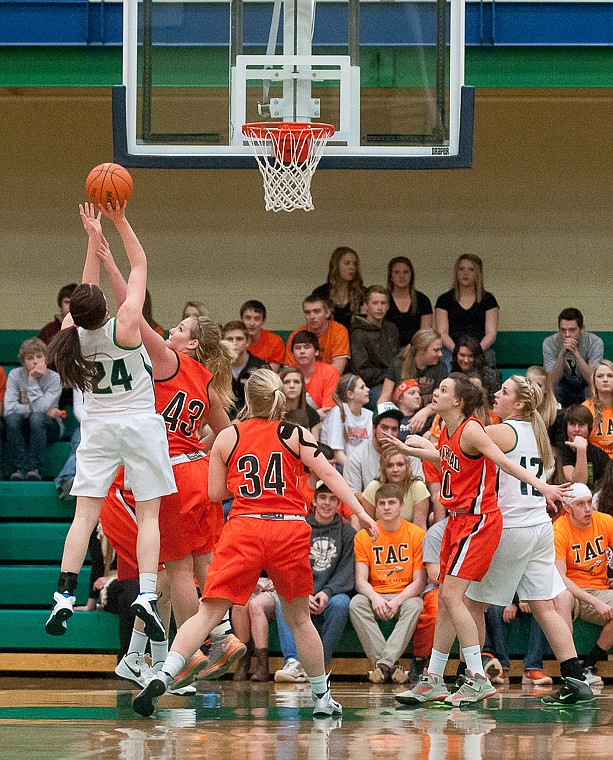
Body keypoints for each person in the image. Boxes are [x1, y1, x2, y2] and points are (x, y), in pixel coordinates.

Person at [132, 368, 378, 719]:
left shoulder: (227, 436)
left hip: (244, 528)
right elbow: (329, 475)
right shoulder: (296, 433)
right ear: (282, 397)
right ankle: (322, 699)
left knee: (207, 614)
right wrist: (363, 515)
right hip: (288, 531)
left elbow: (216, 493)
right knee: (299, 621)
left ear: (247, 399)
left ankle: (163, 674)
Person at [96, 238, 244, 686]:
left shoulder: (168, 360)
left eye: (179, 327)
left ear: (191, 342)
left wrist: (108, 261)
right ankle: (218, 634)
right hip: (196, 470)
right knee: (194, 564)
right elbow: (229, 434)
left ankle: (195, 647)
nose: (171, 331)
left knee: (174, 568)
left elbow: (130, 312)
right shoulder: (206, 380)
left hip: (168, 473)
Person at [385, 373, 568, 706]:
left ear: (457, 400)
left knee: (455, 598)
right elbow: (446, 458)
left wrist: (543, 487)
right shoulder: (454, 431)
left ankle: (477, 676)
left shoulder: (473, 428)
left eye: (442, 389)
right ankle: (433, 679)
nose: (435, 392)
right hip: (459, 522)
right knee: (447, 600)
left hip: (479, 521)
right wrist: (407, 448)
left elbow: (502, 461)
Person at [44, 202, 176, 644]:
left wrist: (89, 240)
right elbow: (139, 263)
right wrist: (115, 223)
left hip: (98, 428)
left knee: (84, 515)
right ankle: (147, 594)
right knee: (149, 512)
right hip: (139, 423)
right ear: (105, 306)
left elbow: (86, 289)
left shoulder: (69, 337)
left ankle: (64, 595)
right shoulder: (128, 325)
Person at [459, 375, 594, 705]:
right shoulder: (538, 433)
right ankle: (576, 678)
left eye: (503, 391)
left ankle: (472, 676)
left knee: (470, 604)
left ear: (518, 404)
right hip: (539, 526)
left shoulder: (505, 431)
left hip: (513, 526)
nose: (496, 394)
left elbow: (459, 445)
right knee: (544, 605)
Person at [274, 481, 357, 681]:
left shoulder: (348, 533)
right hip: (303, 591)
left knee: (342, 604)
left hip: (331, 594)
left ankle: (318, 664)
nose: (327, 503)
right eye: (322, 497)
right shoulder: (300, 528)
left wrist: (327, 592)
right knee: (282, 602)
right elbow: (290, 565)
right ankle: (293, 662)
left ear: (339, 504)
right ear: (314, 501)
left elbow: (346, 569)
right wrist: (305, 592)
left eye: (332, 499)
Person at [350, 484, 426, 684]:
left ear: (401, 506)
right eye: (381, 503)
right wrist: (375, 598)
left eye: (391, 503)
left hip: (404, 594)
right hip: (376, 592)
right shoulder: (364, 535)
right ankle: (388, 665)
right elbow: (360, 581)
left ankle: (382, 666)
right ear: (376, 507)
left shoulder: (416, 534)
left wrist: (396, 601)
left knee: (416, 605)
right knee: (356, 603)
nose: (386, 507)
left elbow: (419, 583)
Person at [554, 483, 613, 685]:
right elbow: (560, 577)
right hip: (572, 590)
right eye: (580, 504)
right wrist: (594, 602)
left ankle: (587, 665)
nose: (588, 509)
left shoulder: (605, 521)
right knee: (562, 597)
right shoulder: (559, 529)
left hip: (599, 589)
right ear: (568, 508)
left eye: (589, 503)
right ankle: (570, 669)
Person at [4, 337, 63, 481]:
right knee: (12, 419)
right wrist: (36, 408)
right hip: (24, 425)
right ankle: (18, 468)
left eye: (39, 356)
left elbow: (39, 409)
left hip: (50, 426)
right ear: (23, 362)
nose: (35, 361)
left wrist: (31, 382)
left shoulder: (54, 378)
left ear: (46, 358)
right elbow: (9, 409)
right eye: (30, 358)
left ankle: (35, 469)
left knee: (36, 418)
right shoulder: (15, 375)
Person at [343, 402, 423, 496]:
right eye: (384, 428)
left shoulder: (410, 455)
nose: (389, 433)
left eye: (394, 429)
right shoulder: (356, 456)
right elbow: (353, 495)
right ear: (374, 428)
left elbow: (420, 492)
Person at [434, 255, 499, 369]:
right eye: (461, 269)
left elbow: (491, 333)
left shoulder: (488, 300)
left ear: (478, 274)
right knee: (446, 361)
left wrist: (474, 351)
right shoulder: (444, 300)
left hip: (480, 349)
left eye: (471, 269)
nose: (465, 273)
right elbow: (442, 333)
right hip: (451, 350)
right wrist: (459, 353)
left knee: (488, 361)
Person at [379, 328, 447, 432]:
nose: (440, 354)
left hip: (429, 417)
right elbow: (385, 397)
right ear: (421, 350)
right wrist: (381, 419)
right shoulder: (398, 364)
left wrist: (424, 412)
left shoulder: (440, 367)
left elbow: (441, 400)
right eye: (436, 350)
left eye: (440, 349)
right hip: (401, 416)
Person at [349, 286, 400, 408]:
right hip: (372, 385)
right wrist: (389, 375)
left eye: (383, 303)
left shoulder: (391, 328)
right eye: (375, 303)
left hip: (395, 380)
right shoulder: (358, 334)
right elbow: (361, 371)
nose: (380, 307)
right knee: (386, 400)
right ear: (366, 306)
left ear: (388, 306)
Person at [542, 307, 604, 408]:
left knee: (591, 390)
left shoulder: (594, 342)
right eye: (563, 330)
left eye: (572, 330)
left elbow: (593, 379)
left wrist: (576, 354)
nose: (567, 335)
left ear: (582, 329)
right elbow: (551, 380)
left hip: (585, 385)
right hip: (563, 385)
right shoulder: (550, 343)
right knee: (554, 389)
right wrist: (562, 353)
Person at [362, 448, 430, 531]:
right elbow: (366, 526)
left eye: (400, 464)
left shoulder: (418, 487)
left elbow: (419, 527)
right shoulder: (374, 487)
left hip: (409, 537)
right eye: (389, 465)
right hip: (379, 537)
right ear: (384, 469)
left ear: (407, 467)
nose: (395, 470)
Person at [284, 295, 350, 375]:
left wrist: (318, 382)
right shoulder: (296, 335)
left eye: (316, 311)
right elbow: (289, 370)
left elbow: (338, 368)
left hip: (329, 381)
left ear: (327, 313)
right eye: (307, 312)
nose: (312, 316)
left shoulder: (338, 331)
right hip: (303, 382)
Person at [231, 577, 279, 682]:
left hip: (275, 588)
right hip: (250, 587)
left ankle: (263, 664)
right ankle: (244, 658)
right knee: (239, 604)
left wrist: (277, 580)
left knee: (256, 605)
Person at [321, 373, 372, 466]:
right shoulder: (338, 412)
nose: (368, 390)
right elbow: (337, 453)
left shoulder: (370, 415)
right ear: (350, 394)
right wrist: (355, 470)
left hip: (362, 466)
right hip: (339, 466)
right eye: (362, 387)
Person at [311, 246, 365, 331]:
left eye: (354, 264)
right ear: (336, 265)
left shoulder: (362, 293)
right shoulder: (321, 293)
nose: (352, 267)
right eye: (347, 263)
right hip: (328, 341)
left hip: (354, 342)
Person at [384, 256, 433, 348]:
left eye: (406, 272)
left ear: (411, 275)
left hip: (416, 350)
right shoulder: (383, 299)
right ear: (390, 276)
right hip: (388, 350)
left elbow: (425, 335)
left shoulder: (423, 300)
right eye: (397, 272)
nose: (402, 276)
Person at [289, 330, 339, 420]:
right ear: (292, 354)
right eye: (297, 348)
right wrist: (315, 415)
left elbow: (328, 412)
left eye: (307, 347)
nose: (302, 351)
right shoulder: (285, 376)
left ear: (316, 352)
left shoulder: (329, 373)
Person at [222, 320, 268, 419]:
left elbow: (267, 401)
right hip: (223, 422)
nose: (234, 343)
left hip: (254, 420)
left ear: (247, 342)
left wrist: (243, 421)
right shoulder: (217, 368)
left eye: (239, 339)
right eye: (229, 339)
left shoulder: (261, 367)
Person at [560, 404, 610, 491]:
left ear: (589, 428)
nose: (576, 429)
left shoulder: (600, 455)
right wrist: (581, 450)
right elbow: (579, 485)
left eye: (581, 425)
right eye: (572, 424)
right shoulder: (561, 452)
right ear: (566, 427)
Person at [451, 336, 501, 402]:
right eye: (462, 355)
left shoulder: (490, 376)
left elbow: (494, 403)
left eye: (471, 356)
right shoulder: (454, 374)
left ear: (477, 357)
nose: (466, 360)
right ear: (456, 355)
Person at [525, 365, 565, 449]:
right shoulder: (515, 409)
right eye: (529, 384)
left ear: (546, 389)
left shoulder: (558, 414)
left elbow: (559, 449)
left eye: (539, 385)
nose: (533, 388)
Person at [240, 299, 285, 372]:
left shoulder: (275, 341)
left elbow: (270, 375)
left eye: (257, 319)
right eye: (248, 318)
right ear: (241, 320)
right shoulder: (234, 340)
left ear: (263, 321)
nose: (252, 323)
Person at [582, 360, 613, 457]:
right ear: (594, 381)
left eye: (610, 376)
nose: (605, 379)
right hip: (594, 460)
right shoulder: (585, 408)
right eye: (600, 376)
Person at [279, 366, 321, 438]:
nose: (292, 386)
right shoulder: (273, 414)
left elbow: (315, 446)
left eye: (296, 382)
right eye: (287, 382)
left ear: (302, 386)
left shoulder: (312, 415)